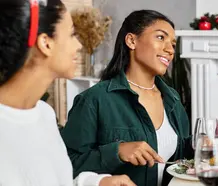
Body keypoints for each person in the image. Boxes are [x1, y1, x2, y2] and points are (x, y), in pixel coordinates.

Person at [0, 0, 135, 185]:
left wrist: (97, 182)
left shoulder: (44, 114)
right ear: (46, 43)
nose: (78, 45)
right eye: (72, 34)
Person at [60, 10, 191, 186]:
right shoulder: (94, 99)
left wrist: (203, 147)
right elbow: (66, 165)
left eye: (173, 44)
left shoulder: (173, 99)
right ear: (131, 40)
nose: (169, 50)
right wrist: (117, 151)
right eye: (161, 37)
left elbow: (181, 162)